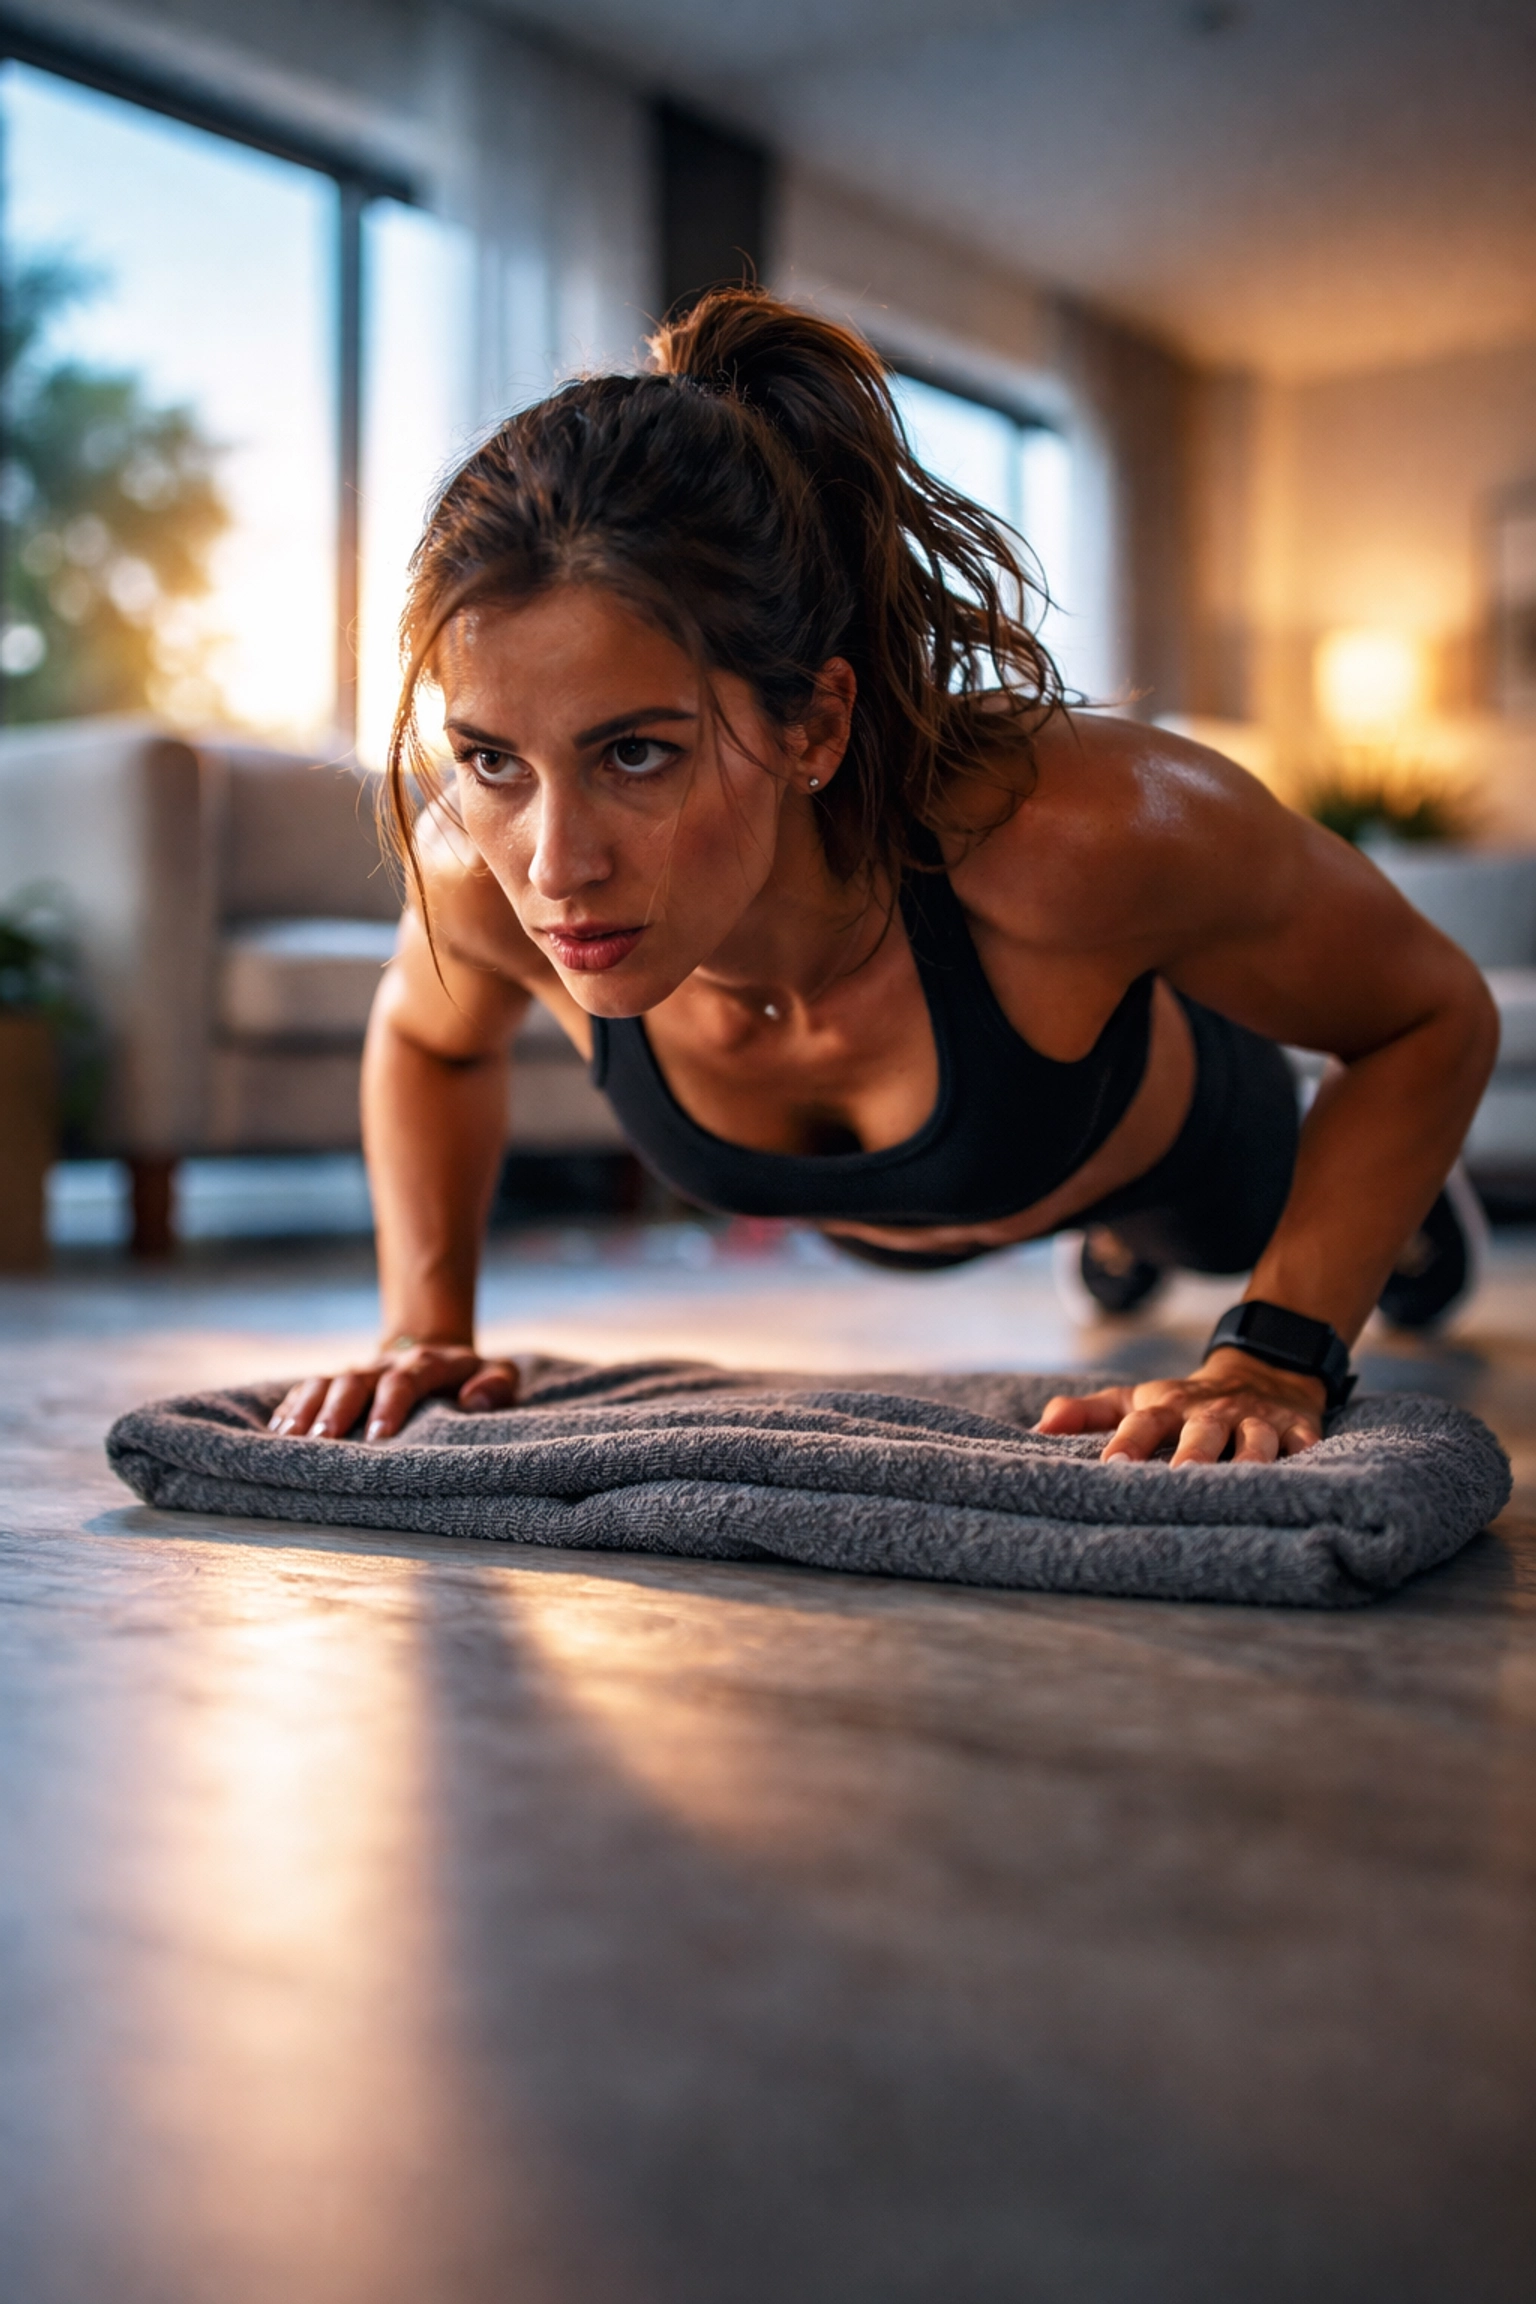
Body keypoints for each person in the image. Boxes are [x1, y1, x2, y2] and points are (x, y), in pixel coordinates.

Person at [271, 289, 1497, 1467]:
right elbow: (428, 1040)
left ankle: (1365, 1221)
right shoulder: (476, 881)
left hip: (1179, 1155)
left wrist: (1277, 1349)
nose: (553, 864)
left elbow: (1427, 1014)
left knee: (1266, 1240)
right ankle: (1112, 1251)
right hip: (915, 1207)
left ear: (812, 725)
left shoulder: (1078, 832)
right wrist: (423, 1327)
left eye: (636, 752)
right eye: (491, 758)